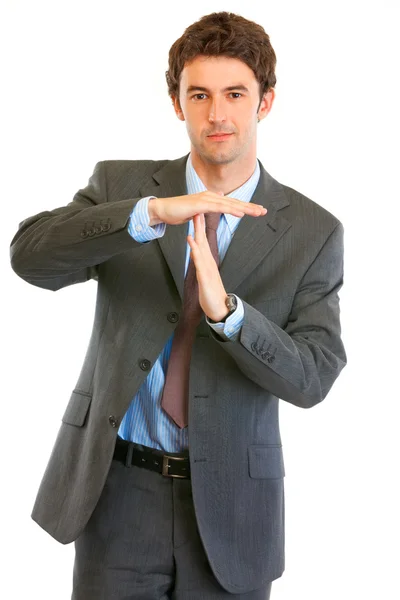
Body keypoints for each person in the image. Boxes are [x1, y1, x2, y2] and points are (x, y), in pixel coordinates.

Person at [9, 10, 347, 600]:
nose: (218, 114)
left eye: (235, 94)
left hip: (235, 510)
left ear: (265, 102)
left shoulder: (313, 231)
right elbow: (30, 258)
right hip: (117, 495)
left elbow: (313, 376)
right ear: (176, 102)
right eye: (200, 95)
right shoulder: (122, 187)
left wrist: (230, 317)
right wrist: (147, 215)